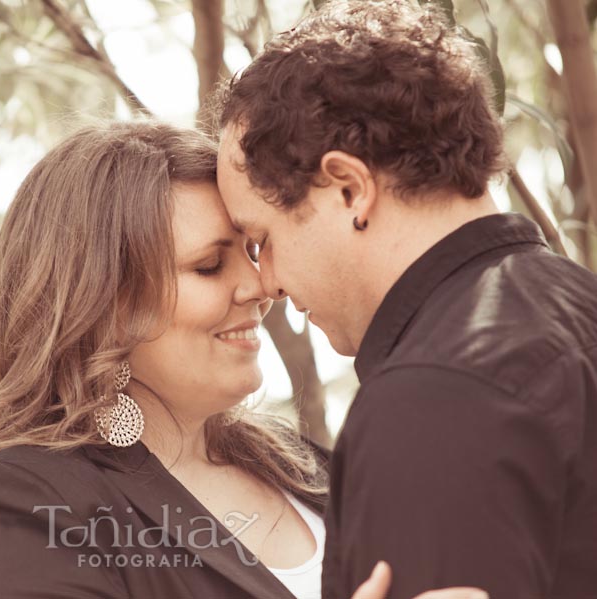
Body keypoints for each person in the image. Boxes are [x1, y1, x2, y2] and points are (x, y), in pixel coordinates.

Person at [0, 121, 484, 599]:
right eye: (211, 266)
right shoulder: (27, 501)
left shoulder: (307, 467)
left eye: (254, 252)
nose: (262, 287)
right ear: (102, 306)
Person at [214, 1, 597, 598]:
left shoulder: (432, 398)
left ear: (349, 189)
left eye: (262, 240)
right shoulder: (582, 308)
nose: (267, 284)